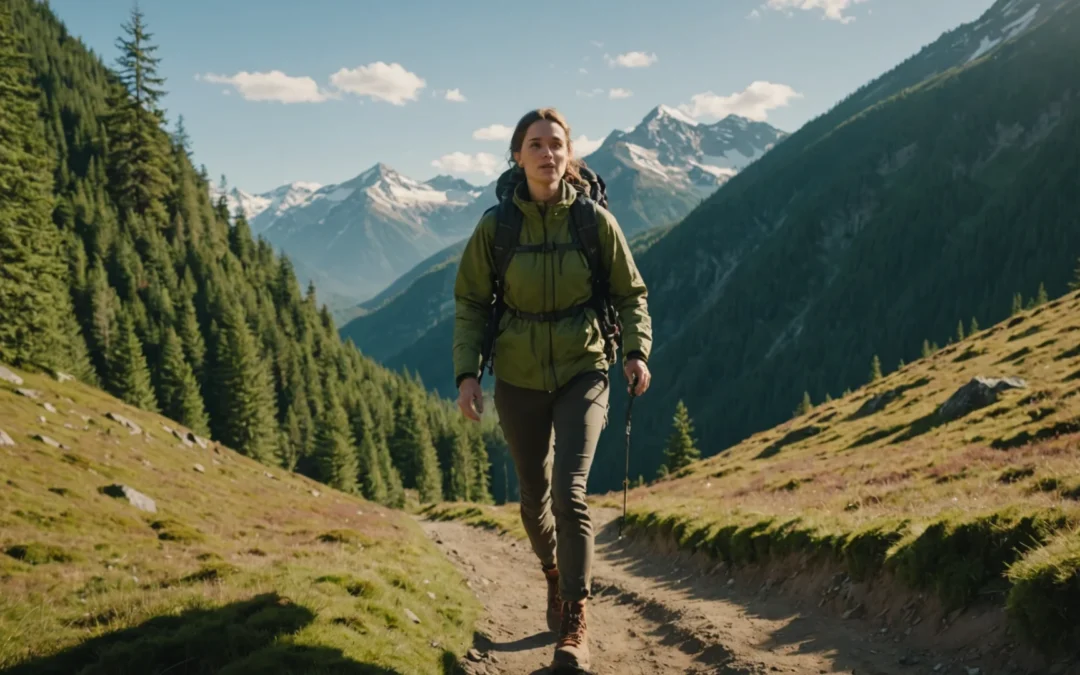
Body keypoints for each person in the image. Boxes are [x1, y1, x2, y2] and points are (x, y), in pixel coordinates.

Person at [452, 107, 653, 672]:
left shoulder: (592, 221)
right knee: (533, 497)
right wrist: (468, 373)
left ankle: (574, 618)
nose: (547, 154)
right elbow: (471, 302)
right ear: (518, 156)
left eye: (556, 144)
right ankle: (552, 573)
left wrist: (636, 352)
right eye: (535, 145)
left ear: (569, 154)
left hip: (583, 368)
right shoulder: (497, 228)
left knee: (570, 491)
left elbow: (630, 293)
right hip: (516, 375)